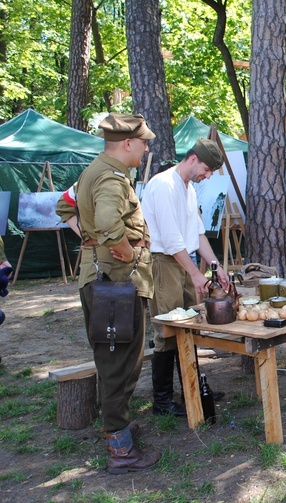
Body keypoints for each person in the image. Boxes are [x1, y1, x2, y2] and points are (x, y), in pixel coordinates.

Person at [55, 112, 160, 474]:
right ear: (127, 143)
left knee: (117, 360)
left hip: (106, 280)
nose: (146, 149)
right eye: (143, 143)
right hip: (116, 283)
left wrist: (89, 240)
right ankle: (121, 450)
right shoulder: (111, 177)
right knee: (119, 364)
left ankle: (119, 425)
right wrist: (124, 250)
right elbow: (107, 222)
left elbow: (65, 204)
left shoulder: (95, 170)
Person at [140, 137, 230, 417]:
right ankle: (162, 402)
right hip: (162, 262)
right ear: (193, 159)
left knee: (189, 326)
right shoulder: (163, 185)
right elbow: (169, 238)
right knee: (168, 329)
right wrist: (194, 273)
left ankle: (192, 388)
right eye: (206, 169)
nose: (207, 176)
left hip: (182, 260)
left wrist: (216, 266)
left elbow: (197, 234)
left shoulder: (189, 189)